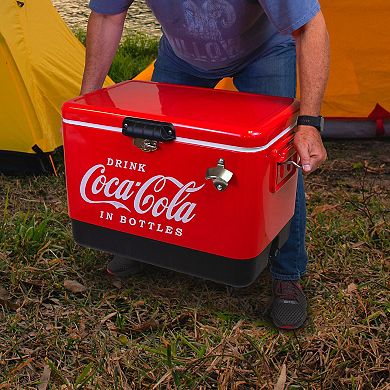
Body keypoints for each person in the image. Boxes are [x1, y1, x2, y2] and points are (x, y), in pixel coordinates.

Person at [81, 0, 329, 330]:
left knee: (279, 164)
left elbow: (310, 26)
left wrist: (309, 123)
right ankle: (145, 245)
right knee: (159, 151)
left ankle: (287, 274)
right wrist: (86, 102)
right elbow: (107, 15)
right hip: (181, 57)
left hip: (264, 51)